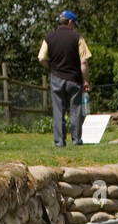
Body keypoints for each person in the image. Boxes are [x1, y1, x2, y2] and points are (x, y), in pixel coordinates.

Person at [38, 10, 92, 147]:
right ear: (70, 22)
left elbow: (41, 58)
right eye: (74, 23)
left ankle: (59, 142)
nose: (74, 26)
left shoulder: (49, 38)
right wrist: (86, 80)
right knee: (75, 110)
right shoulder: (78, 38)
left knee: (58, 111)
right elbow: (84, 62)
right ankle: (76, 140)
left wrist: (51, 67)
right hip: (73, 79)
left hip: (56, 78)